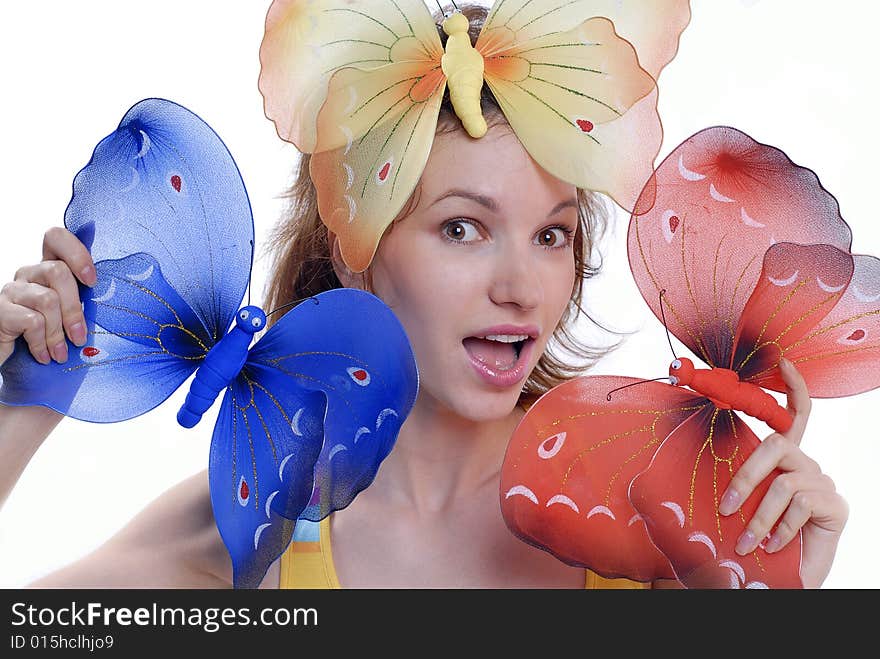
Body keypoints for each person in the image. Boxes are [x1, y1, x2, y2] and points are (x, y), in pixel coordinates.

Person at [0, 2, 848, 589]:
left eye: (551, 234)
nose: (521, 287)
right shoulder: (249, 528)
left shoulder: (662, 505)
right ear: (357, 245)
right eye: (462, 228)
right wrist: (21, 404)